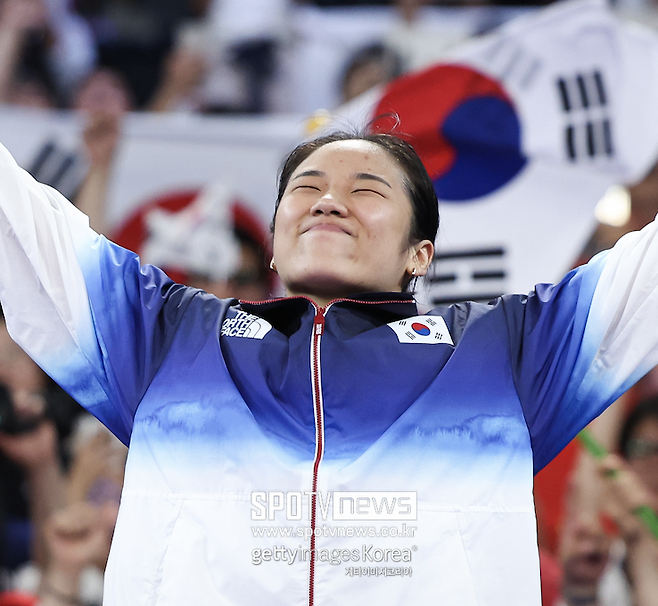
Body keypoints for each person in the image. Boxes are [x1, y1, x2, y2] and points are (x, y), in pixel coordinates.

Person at [1, 129, 658, 605]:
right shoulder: (164, 336)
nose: (328, 201)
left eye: (366, 190)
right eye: (306, 188)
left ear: (420, 253)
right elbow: (15, 219)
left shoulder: (507, 352)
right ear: (274, 242)